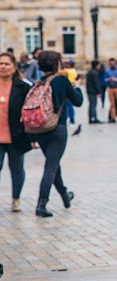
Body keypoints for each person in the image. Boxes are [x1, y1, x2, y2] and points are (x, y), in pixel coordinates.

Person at [33, 51, 83, 217]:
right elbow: (78, 101)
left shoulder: (38, 83)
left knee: (53, 163)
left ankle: (64, 194)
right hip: (57, 128)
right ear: (57, 64)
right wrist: (75, 86)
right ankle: (41, 204)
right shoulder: (61, 80)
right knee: (51, 166)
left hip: (40, 129)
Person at [0, 53, 32, 212]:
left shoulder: (23, 87)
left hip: (16, 135)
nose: (3, 66)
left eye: (6, 64)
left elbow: (29, 113)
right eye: (0, 64)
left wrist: (32, 136)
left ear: (13, 67)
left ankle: (16, 198)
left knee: (17, 168)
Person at [105, 58, 117, 123]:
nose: (112, 64)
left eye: (113, 63)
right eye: (110, 64)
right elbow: (105, 79)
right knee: (112, 104)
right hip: (110, 88)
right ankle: (113, 117)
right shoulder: (107, 71)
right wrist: (109, 79)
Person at [64, 59, 78, 125]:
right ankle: (72, 119)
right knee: (70, 105)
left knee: (67, 105)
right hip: (72, 87)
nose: (65, 64)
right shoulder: (74, 71)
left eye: (67, 63)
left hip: (67, 88)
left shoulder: (66, 71)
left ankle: (67, 118)